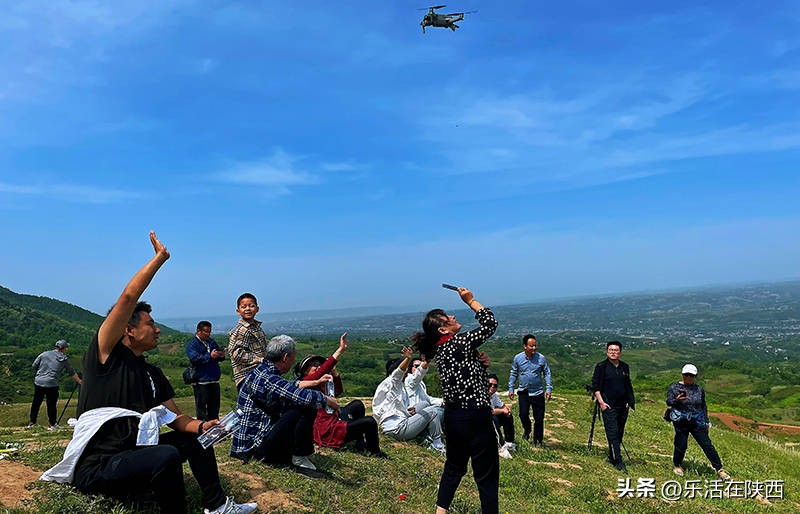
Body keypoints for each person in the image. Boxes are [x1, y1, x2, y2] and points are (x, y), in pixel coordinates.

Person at [66, 232, 256, 514]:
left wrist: (205, 427)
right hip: (100, 466)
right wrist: (159, 259)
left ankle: (216, 505)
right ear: (128, 329)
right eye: (150, 324)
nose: (157, 330)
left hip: (134, 455)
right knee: (165, 454)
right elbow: (128, 297)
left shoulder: (152, 373)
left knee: (196, 441)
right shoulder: (105, 356)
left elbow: (177, 419)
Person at [412, 287, 499, 514]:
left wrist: (481, 365)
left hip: (453, 416)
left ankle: (441, 511)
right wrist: (471, 301)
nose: (453, 317)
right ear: (443, 329)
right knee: (486, 474)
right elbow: (490, 324)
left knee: (454, 466)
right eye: (447, 317)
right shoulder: (460, 342)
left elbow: (463, 376)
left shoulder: (440, 351)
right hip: (476, 415)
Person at [230, 334, 339, 478]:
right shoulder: (269, 377)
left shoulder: (260, 370)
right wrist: (327, 400)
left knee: (298, 402)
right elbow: (297, 394)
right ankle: (299, 455)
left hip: (246, 444)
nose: (293, 361)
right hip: (254, 449)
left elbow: (286, 387)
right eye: (293, 358)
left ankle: (294, 453)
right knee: (305, 404)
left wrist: (314, 382)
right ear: (285, 357)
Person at [296, 332, 385, 457]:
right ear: (304, 371)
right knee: (369, 422)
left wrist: (335, 374)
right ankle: (375, 452)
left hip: (332, 418)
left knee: (357, 404)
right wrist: (340, 350)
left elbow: (337, 391)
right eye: (313, 365)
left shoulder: (320, 382)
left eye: (318, 364)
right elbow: (323, 370)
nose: (318, 367)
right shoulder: (307, 382)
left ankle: (359, 442)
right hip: (327, 429)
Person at [372, 346, 445, 451]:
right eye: (406, 371)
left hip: (394, 426)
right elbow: (400, 373)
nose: (407, 374)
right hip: (397, 428)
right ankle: (437, 445)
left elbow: (428, 400)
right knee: (433, 411)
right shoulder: (392, 383)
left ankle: (428, 437)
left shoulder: (399, 388)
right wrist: (407, 359)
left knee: (425, 404)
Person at [666, 364, 730, 480]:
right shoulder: (674, 387)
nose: (689, 377)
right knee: (681, 444)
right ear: (682, 374)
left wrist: (706, 420)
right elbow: (669, 402)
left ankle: (719, 469)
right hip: (681, 420)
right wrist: (677, 400)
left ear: (695, 376)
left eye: (691, 375)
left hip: (697, 420)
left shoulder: (699, 389)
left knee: (707, 445)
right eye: (686, 375)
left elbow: (703, 405)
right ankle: (677, 465)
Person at [591, 340, 635, 472]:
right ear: (607, 351)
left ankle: (611, 456)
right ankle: (618, 460)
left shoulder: (624, 367)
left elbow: (627, 384)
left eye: (616, 350)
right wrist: (601, 402)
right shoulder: (601, 367)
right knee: (612, 432)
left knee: (619, 432)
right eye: (611, 350)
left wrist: (629, 401)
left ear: (620, 352)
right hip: (608, 405)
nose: (613, 352)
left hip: (623, 405)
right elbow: (595, 386)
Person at [507, 334, 552, 446]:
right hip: (524, 391)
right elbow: (513, 373)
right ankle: (527, 430)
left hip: (538, 392)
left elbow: (547, 373)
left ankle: (538, 440)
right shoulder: (518, 358)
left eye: (535, 346)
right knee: (523, 414)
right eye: (531, 346)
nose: (534, 348)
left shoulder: (541, 358)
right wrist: (511, 388)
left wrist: (548, 388)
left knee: (539, 418)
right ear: (525, 346)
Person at [29, 339, 82, 429]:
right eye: (66, 348)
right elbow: (71, 371)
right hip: (51, 383)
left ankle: (32, 423)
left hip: (39, 381)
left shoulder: (44, 354)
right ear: (63, 348)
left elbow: (34, 365)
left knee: (36, 403)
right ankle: (52, 424)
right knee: (51, 404)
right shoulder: (63, 358)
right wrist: (79, 381)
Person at [186, 321, 225, 421]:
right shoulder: (192, 344)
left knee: (214, 408)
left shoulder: (211, 342)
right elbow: (194, 358)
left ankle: (215, 430)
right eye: (206, 332)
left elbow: (216, 357)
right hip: (201, 380)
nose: (208, 334)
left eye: (209, 332)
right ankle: (202, 430)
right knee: (202, 408)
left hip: (214, 379)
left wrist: (221, 355)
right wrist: (210, 356)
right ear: (198, 331)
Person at [229, 293, 268, 389]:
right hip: (246, 377)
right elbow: (236, 354)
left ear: (257, 309)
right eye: (244, 306)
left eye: (251, 306)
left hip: (258, 374)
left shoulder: (257, 328)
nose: (248, 309)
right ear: (238, 311)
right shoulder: (242, 330)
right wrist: (260, 360)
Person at [404, 357, 445, 422]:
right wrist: (427, 361)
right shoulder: (409, 379)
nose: (418, 368)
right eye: (416, 366)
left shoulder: (420, 383)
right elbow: (417, 376)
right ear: (411, 367)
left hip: (423, 410)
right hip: (414, 412)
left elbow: (427, 399)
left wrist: (442, 401)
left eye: (420, 366)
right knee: (438, 412)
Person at [487, 373, 515, 457]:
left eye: (495, 386)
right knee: (493, 418)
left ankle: (509, 442)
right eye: (490, 384)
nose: (492, 387)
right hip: (477, 423)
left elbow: (503, 406)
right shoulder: (481, 395)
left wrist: (507, 411)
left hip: (487, 420)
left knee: (508, 416)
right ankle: (500, 446)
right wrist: (503, 410)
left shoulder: (494, 395)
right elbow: (489, 411)